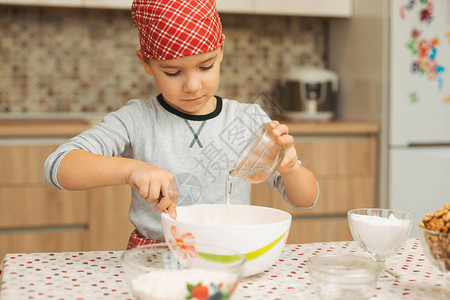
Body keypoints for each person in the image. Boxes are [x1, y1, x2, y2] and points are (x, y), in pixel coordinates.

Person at [44, 0, 319, 249]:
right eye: (173, 72)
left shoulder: (248, 120)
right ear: (146, 62)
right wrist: (129, 169)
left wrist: (291, 168)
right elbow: (58, 166)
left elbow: (305, 199)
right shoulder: (137, 120)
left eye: (206, 66)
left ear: (221, 50)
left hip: (228, 253)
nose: (192, 86)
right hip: (155, 258)